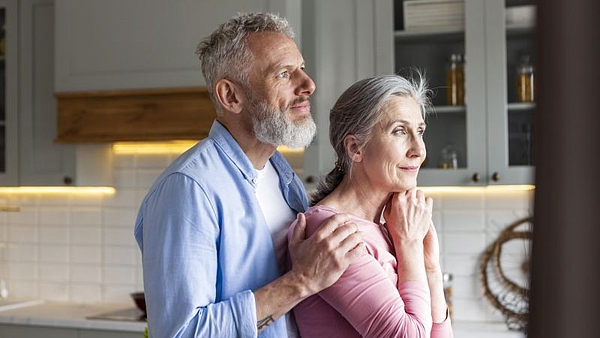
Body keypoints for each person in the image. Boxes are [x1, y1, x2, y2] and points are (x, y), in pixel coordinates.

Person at [134, 12, 365, 338]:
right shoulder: (189, 189)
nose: (308, 85)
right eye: (284, 74)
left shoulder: (286, 181)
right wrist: (301, 281)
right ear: (231, 96)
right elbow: (183, 333)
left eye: (302, 68)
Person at [288, 73, 454, 337]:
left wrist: (431, 269)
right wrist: (410, 245)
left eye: (420, 131)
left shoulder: (390, 229)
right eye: (400, 131)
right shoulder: (332, 233)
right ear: (355, 148)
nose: (419, 150)